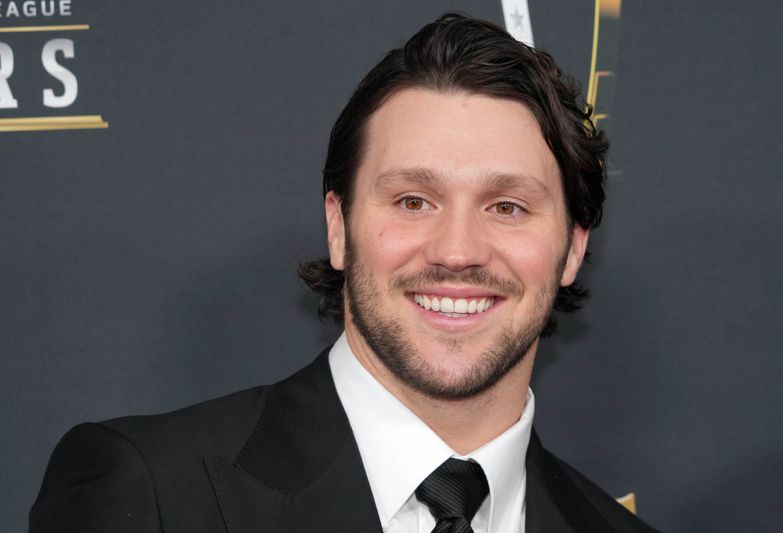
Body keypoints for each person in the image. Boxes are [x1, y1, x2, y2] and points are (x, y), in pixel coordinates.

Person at [29, 13, 657, 533]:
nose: (459, 250)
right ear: (339, 227)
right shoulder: (150, 492)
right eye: (413, 201)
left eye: (507, 207)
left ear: (573, 249)